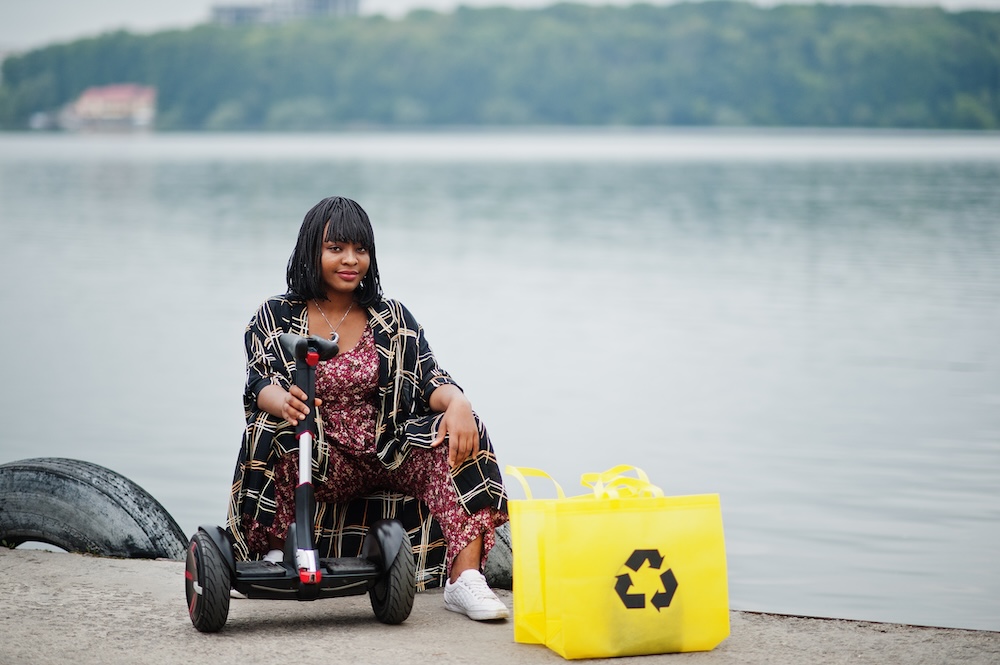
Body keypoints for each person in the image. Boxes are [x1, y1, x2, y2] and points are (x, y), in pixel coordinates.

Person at [226, 195, 510, 621]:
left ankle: (464, 578)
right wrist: (281, 400)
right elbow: (258, 381)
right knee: (271, 427)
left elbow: (430, 379)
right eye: (336, 248)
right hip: (316, 453)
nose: (350, 260)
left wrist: (459, 402)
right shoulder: (277, 315)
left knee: (463, 429)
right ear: (311, 251)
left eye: (361, 250)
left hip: (386, 448)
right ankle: (272, 551)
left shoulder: (391, 317)